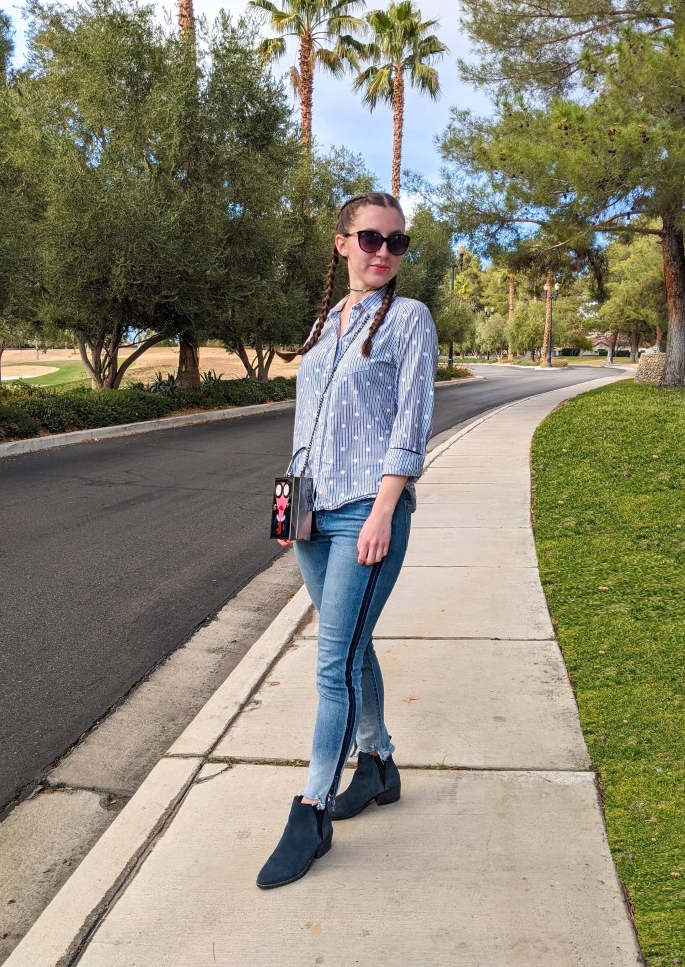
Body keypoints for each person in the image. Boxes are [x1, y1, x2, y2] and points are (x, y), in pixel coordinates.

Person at [256, 192, 438, 889]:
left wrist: (385, 511)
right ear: (341, 243)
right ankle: (380, 764)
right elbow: (307, 424)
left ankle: (312, 809)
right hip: (316, 512)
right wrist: (290, 507)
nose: (384, 253)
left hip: (368, 511)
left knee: (332, 662)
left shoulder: (410, 319)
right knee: (352, 648)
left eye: (397, 243)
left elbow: (411, 421)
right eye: (370, 238)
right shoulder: (326, 322)